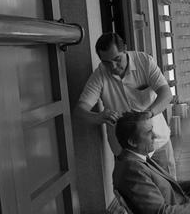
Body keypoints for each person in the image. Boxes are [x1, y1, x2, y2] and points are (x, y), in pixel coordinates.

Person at [75, 32, 176, 176]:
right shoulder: (100, 75)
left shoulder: (144, 61)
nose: (113, 67)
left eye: (117, 59)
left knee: (171, 192)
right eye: (107, 63)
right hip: (127, 153)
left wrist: (149, 113)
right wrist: (98, 117)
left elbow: (166, 94)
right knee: (137, 195)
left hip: (157, 141)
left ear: (125, 50)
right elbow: (80, 111)